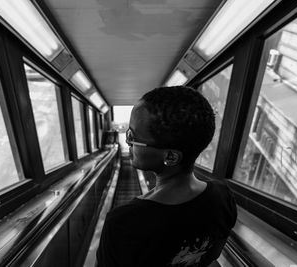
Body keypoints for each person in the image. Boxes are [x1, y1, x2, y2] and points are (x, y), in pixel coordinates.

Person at [97, 86, 237, 267]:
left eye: (132, 136)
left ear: (170, 157)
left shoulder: (124, 223)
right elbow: (211, 257)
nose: (127, 141)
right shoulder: (223, 197)